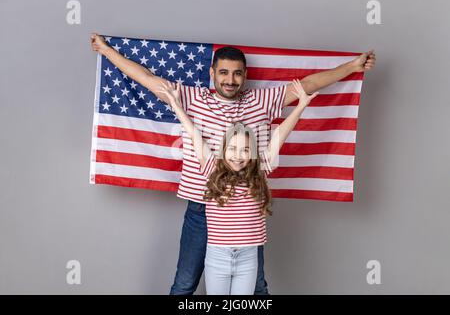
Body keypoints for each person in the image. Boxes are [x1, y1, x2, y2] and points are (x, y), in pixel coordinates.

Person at [90, 33, 376, 294]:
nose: (230, 80)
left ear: (245, 75)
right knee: (185, 283)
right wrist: (106, 51)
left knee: (257, 287)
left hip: (245, 212)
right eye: (223, 72)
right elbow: (146, 78)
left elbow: (309, 85)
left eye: (237, 74)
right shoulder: (192, 98)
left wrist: (352, 67)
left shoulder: (261, 101)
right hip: (201, 208)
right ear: (212, 73)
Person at [156, 79, 318, 294]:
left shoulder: (259, 172)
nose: (238, 155)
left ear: (252, 153)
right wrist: (176, 104)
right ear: (223, 150)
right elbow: (193, 133)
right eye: (232, 148)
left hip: (247, 258)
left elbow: (280, 136)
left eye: (245, 150)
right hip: (218, 257)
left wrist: (301, 106)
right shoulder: (212, 170)